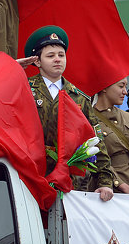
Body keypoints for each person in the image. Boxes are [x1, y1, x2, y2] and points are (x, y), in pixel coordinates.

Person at [19, 26, 113, 199]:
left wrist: (105, 182)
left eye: (61, 55)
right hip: (31, 176)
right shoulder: (23, 88)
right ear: (37, 62)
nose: (57, 60)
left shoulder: (79, 97)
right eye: (50, 56)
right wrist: (13, 68)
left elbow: (95, 140)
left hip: (69, 181)